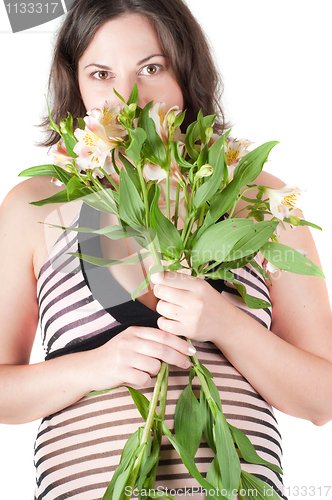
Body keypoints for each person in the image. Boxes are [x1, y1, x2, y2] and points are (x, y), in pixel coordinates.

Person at [0, 1, 331, 499]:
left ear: (187, 74)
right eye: (101, 73)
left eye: (151, 68)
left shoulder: (260, 198)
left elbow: (321, 398)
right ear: (77, 86)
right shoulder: (34, 205)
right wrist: (96, 366)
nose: (128, 96)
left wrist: (225, 322)